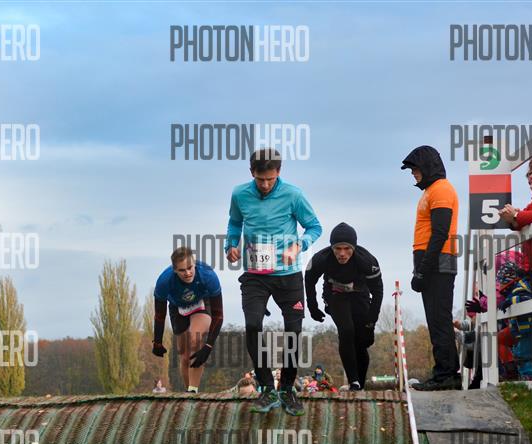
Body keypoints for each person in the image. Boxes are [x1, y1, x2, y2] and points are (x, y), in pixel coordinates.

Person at [225, 148, 322, 416]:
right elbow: (234, 223)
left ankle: (287, 388)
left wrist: (298, 246)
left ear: (279, 172)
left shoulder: (293, 195)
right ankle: (267, 387)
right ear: (251, 173)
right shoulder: (239, 194)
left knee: (293, 331)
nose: (265, 185)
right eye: (260, 179)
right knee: (253, 325)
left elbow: (315, 227)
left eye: (270, 179)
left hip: (288, 274)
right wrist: (230, 245)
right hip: (255, 275)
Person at [401, 145, 461, 390]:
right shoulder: (431, 191)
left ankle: (446, 375)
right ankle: (445, 372)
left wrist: (422, 270)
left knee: (440, 319)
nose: (413, 174)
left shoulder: (442, 189)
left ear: (427, 167)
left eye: (415, 169)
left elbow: (440, 233)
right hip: (432, 262)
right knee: (436, 320)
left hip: (438, 262)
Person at [305, 222, 383, 390]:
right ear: (331, 248)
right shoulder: (321, 258)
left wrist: (371, 322)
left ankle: (360, 385)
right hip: (335, 295)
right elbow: (309, 280)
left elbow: (378, 292)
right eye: (337, 249)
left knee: (360, 342)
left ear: (353, 248)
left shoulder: (367, 261)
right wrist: (313, 307)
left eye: (347, 249)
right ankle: (353, 381)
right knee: (346, 330)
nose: (342, 254)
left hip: (360, 295)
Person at [152, 246, 224, 393]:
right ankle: (189, 395)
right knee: (184, 355)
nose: (188, 273)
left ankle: (193, 389)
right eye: (182, 270)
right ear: (174, 270)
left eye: (190, 268)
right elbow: (159, 315)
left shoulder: (208, 275)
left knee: (194, 338)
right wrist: (157, 341)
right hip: (177, 307)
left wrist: (208, 345)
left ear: (194, 263)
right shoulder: (164, 281)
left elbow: (218, 315)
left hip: (202, 302)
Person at [499, 156, 532, 287]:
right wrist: (513, 219)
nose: (530, 177)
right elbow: (525, 217)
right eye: (528, 174)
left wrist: (515, 215)